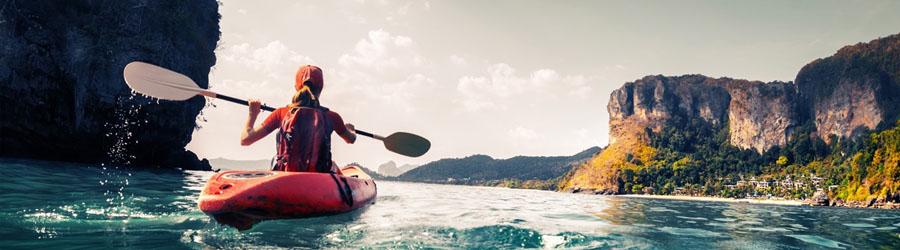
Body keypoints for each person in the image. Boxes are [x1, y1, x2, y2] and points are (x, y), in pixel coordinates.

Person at [239, 65, 356, 173]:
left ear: (296, 87)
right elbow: (351, 139)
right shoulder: (332, 117)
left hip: (286, 174)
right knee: (333, 165)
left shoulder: (281, 113)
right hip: (319, 177)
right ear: (321, 88)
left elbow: (246, 140)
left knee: (274, 160)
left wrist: (253, 113)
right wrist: (350, 130)